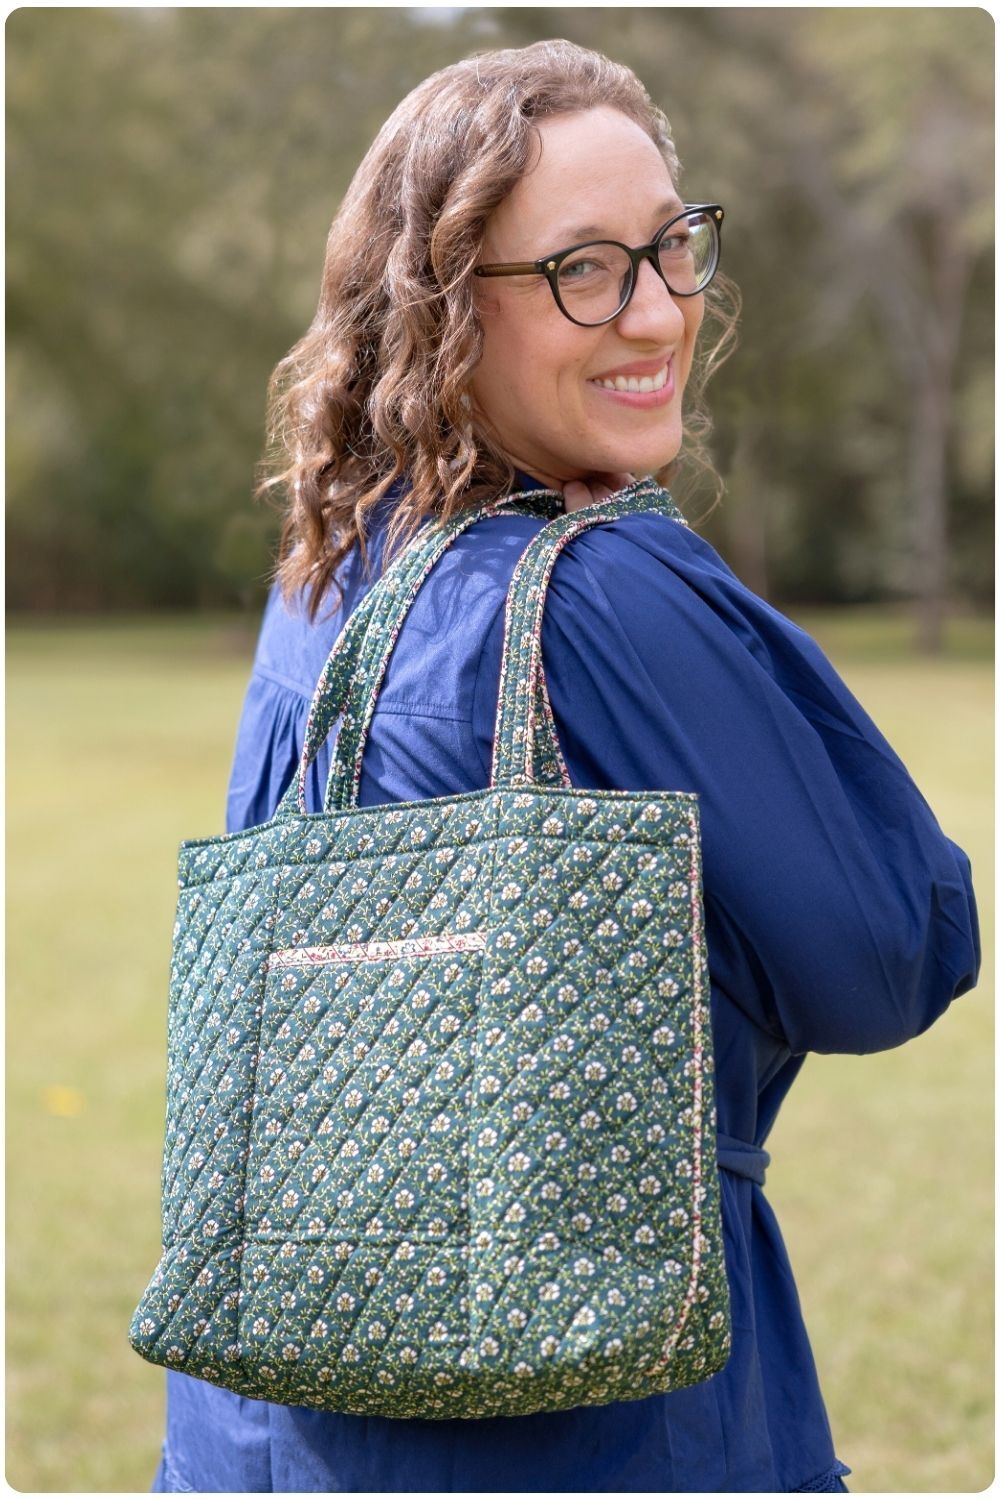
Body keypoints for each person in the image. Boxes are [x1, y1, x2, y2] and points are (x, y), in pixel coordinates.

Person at [151, 39, 980, 1494]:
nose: (657, 309)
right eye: (584, 270)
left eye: (673, 246)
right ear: (442, 308)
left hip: (271, 1412)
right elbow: (891, 952)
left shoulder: (329, 574)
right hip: (584, 1416)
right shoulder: (604, 596)